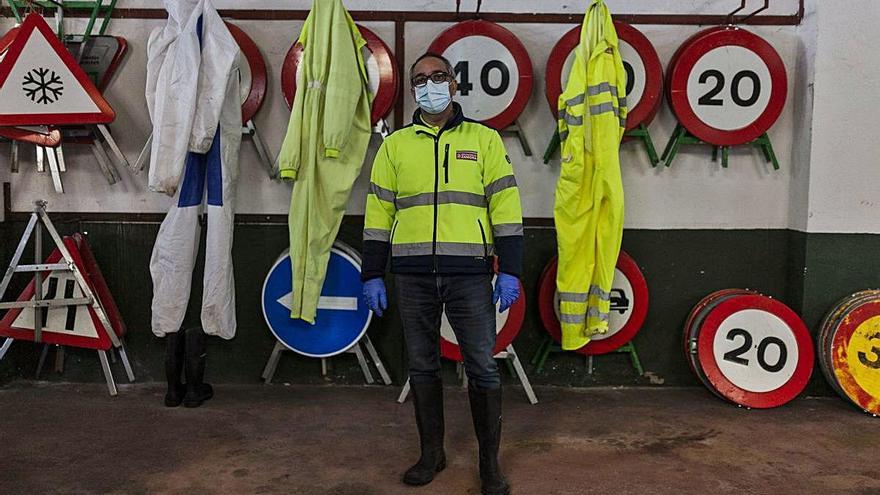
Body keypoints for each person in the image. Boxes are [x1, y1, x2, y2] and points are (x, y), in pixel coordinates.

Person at [361, 52, 523, 495]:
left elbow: (506, 208)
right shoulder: (395, 146)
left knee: (483, 368)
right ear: (412, 89)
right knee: (421, 367)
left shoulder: (485, 140)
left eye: (438, 77)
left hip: (470, 274)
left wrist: (510, 270)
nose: (429, 85)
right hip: (411, 276)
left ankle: (490, 464)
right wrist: (372, 273)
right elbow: (377, 213)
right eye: (420, 79)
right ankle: (432, 454)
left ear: (454, 84)